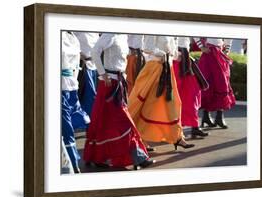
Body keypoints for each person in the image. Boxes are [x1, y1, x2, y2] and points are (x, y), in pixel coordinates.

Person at [83, 33, 155, 170]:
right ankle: (139, 158)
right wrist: (102, 73)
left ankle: (95, 157)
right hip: (109, 83)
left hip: (118, 82)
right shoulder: (110, 34)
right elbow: (95, 51)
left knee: (103, 121)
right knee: (124, 121)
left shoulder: (122, 36)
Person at [128, 35, 194, 150]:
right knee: (147, 105)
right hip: (154, 69)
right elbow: (147, 48)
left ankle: (178, 137)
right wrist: (162, 54)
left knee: (174, 104)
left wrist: (175, 55)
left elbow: (172, 52)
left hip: (168, 69)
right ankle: (140, 138)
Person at [61, 31, 90, 173]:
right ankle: (72, 163)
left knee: (70, 125)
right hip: (61, 86)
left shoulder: (72, 37)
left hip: (71, 86)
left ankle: (72, 163)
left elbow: (77, 61)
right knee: (66, 128)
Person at [194, 37, 235, 129]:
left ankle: (219, 117)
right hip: (209, 52)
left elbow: (231, 33)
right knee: (208, 84)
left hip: (219, 52)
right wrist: (201, 46)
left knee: (222, 84)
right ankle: (206, 116)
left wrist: (227, 49)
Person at [172, 37, 209, 138]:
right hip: (178, 61)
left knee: (193, 95)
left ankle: (194, 127)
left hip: (186, 60)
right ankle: (176, 129)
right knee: (178, 97)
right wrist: (175, 54)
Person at [73, 32, 99, 117]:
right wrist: (79, 53)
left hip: (94, 65)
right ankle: (85, 120)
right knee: (88, 95)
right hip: (83, 64)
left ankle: (89, 120)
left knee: (93, 95)